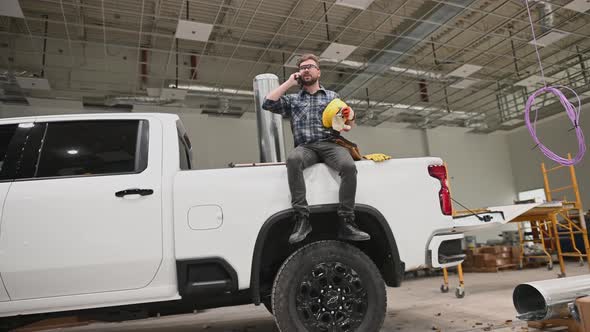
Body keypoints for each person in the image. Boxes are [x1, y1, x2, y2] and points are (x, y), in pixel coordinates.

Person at [262, 53, 370, 244]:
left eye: (310, 66)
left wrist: (347, 118)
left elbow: (343, 125)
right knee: (293, 159)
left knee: (348, 166)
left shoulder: (332, 96)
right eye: (302, 68)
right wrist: (289, 82)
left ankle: (347, 221)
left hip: (329, 143)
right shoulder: (294, 99)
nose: (306, 69)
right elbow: (268, 103)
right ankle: (302, 219)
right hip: (306, 147)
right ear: (299, 74)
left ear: (318, 72)